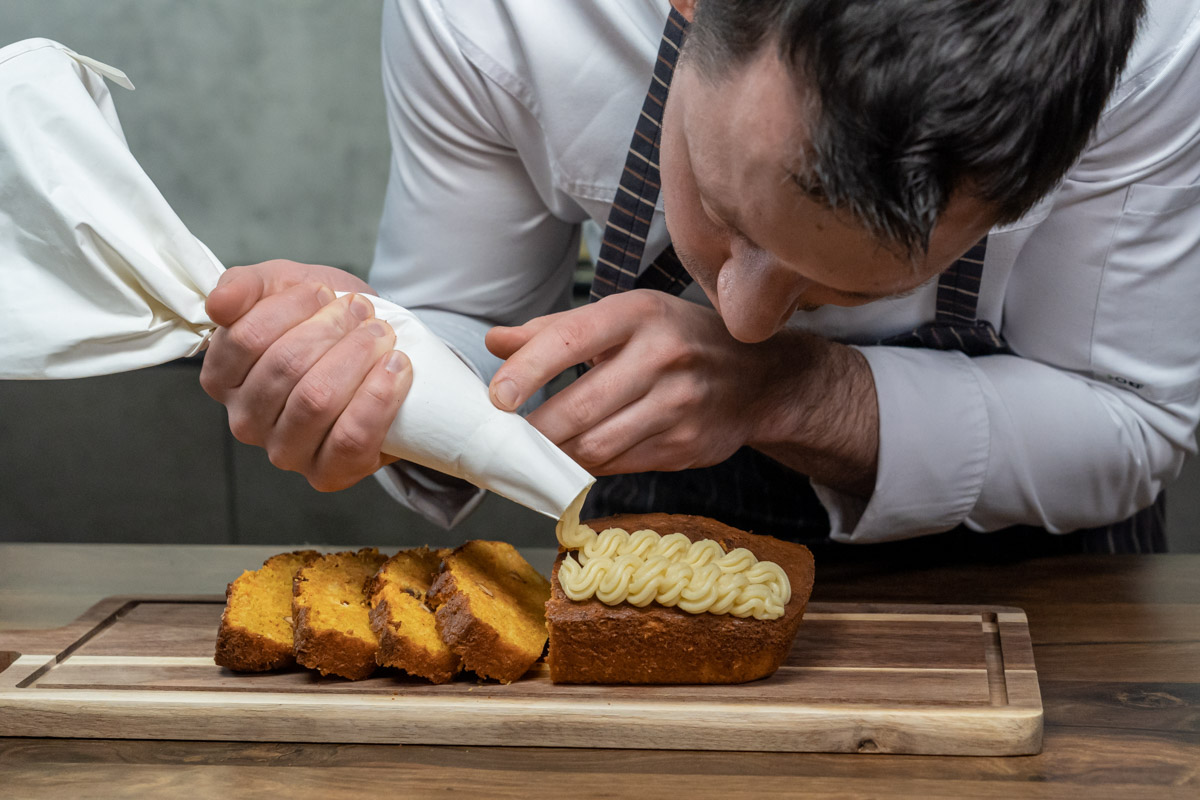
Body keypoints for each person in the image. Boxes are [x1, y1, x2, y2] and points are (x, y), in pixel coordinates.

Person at [199, 0, 1200, 554]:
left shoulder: (1157, 53)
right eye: (724, 218)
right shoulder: (493, 15)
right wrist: (372, 363)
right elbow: (475, 320)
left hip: (1045, 598)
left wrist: (790, 389)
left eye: (831, 286)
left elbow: (1128, 419)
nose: (743, 317)